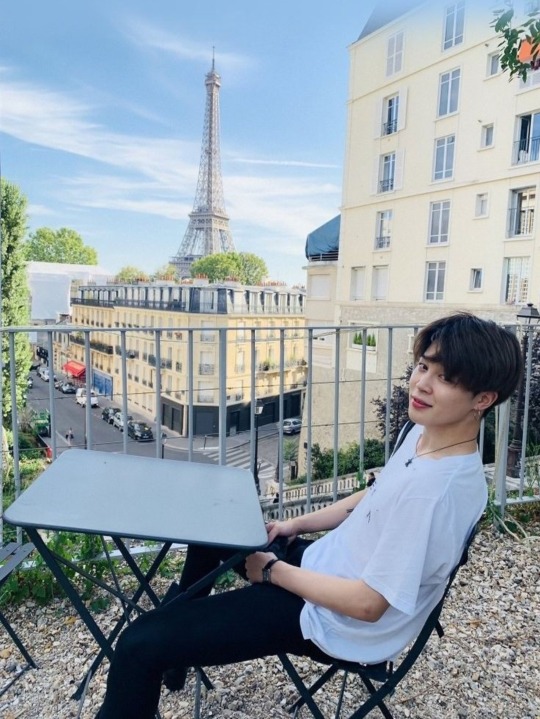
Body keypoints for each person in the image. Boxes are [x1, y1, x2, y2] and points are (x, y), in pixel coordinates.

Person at [96, 313, 522, 719]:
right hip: (322, 568)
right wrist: (294, 525)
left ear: (483, 399)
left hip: (333, 621)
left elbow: (368, 605)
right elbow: (375, 495)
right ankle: (174, 652)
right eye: (423, 366)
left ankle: (163, 647)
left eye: (445, 378)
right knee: (212, 527)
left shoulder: (434, 493)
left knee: (137, 645)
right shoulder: (426, 435)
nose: (421, 383)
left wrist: (273, 571)